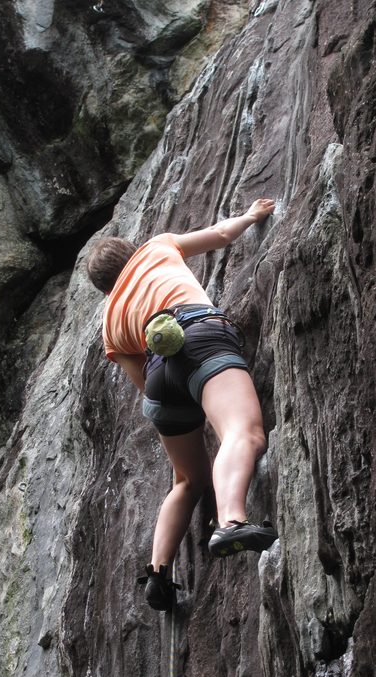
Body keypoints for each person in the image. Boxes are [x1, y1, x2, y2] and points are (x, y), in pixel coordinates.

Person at [86, 199, 278, 610]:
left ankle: (157, 575)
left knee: (188, 481)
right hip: (198, 334)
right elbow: (222, 235)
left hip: (160, 378)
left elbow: (141, 382)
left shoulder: (110, 321)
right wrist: (251, 215)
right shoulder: (156, 248)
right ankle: (230, 521)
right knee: (242, 432)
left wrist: (183, 395)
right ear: (132, 251)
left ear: (105, 289)